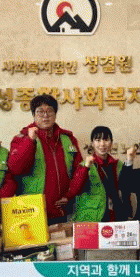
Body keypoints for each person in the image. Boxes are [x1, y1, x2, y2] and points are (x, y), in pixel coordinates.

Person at [7, 95, 83, 224]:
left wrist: (69, 196)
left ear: (55, 114)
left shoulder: (67, 139)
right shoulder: (21, 138)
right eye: (40, 111)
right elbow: (16, 169)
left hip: (62, 209)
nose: (45, 115)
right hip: (31, 210)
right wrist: (30, 141)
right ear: (33, 115)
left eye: (50, 111)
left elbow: (79, 170)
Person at [66, 126, 129, 222]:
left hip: (115, 216)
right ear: (92, 143)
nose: (102, 144)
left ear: (111, 142)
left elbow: (126, 187)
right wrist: (86, 167)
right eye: (98, 140)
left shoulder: (117, 164)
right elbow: (74, 190)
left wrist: (129, 161)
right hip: (93, 217)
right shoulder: (84, 165)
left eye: (106, 140)